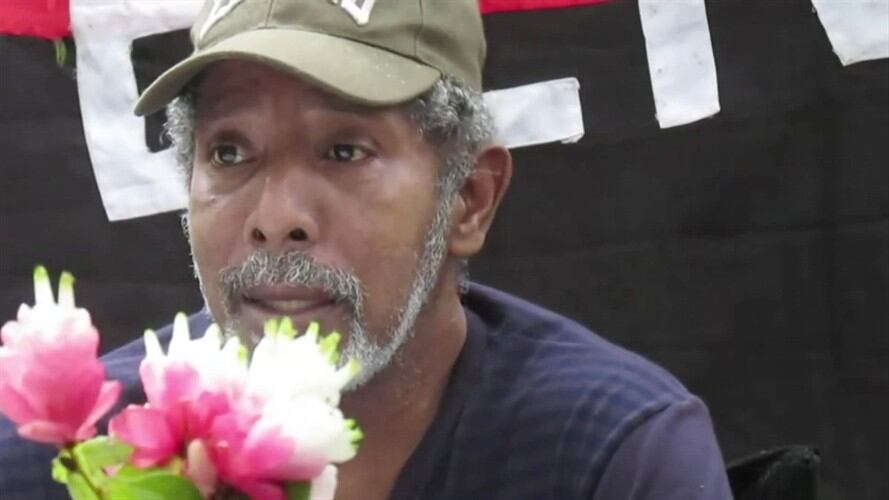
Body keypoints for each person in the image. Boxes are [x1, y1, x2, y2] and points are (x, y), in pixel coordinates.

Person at [0, 0, 734, 498]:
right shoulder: (58, 455)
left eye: (344, 151)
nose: (275, 220)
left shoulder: (604, 454)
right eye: (229, 153)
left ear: (468, 199)